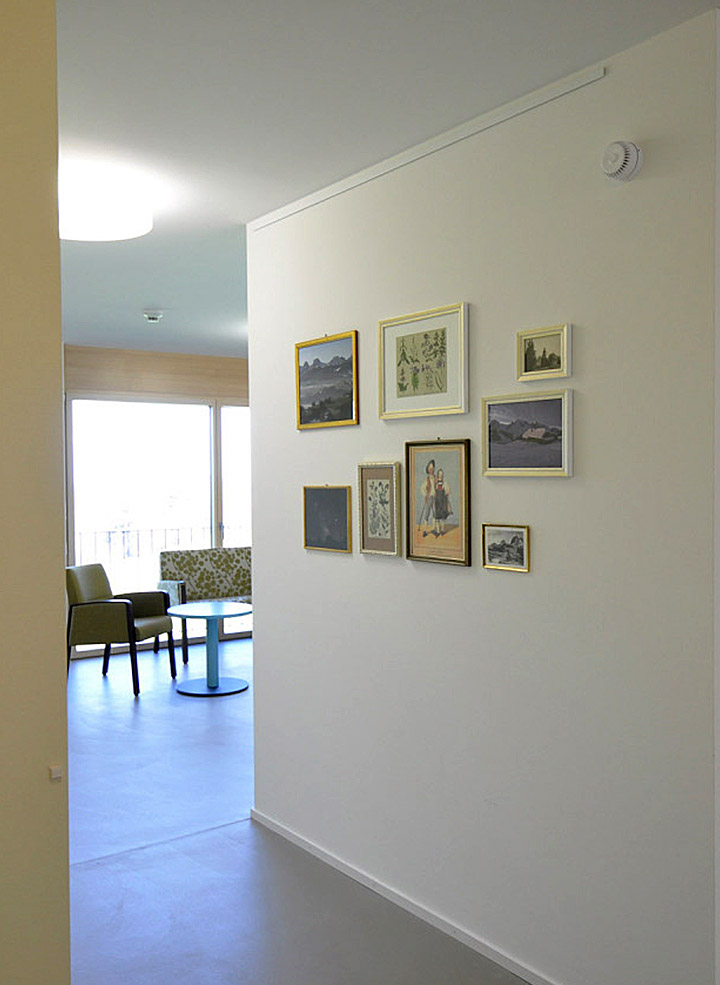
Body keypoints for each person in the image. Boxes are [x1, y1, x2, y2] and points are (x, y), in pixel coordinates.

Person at [417, 459, 435, 536]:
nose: (431, 470)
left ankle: (434, 529)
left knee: (435, 513)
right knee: (427, 513)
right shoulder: (427, 480)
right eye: (430, 468)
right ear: (428, 469)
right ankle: (425, 530)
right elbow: (422, 488)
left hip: (435, 498)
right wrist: (426, 495)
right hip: (429, 498)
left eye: (432, 468)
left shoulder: (435, 478)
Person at [433, 468, 452, 535]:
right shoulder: (435, 483)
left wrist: (447, 492)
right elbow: (433, 492)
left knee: (443, 516)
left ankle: (442, 529)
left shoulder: (445, 483)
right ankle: (438, 531)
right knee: (437, 516)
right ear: (437, 475)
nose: (440, 475)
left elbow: (448, 491)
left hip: (443, 501)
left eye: (441, 474)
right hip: (437, 502)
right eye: (439, 474)